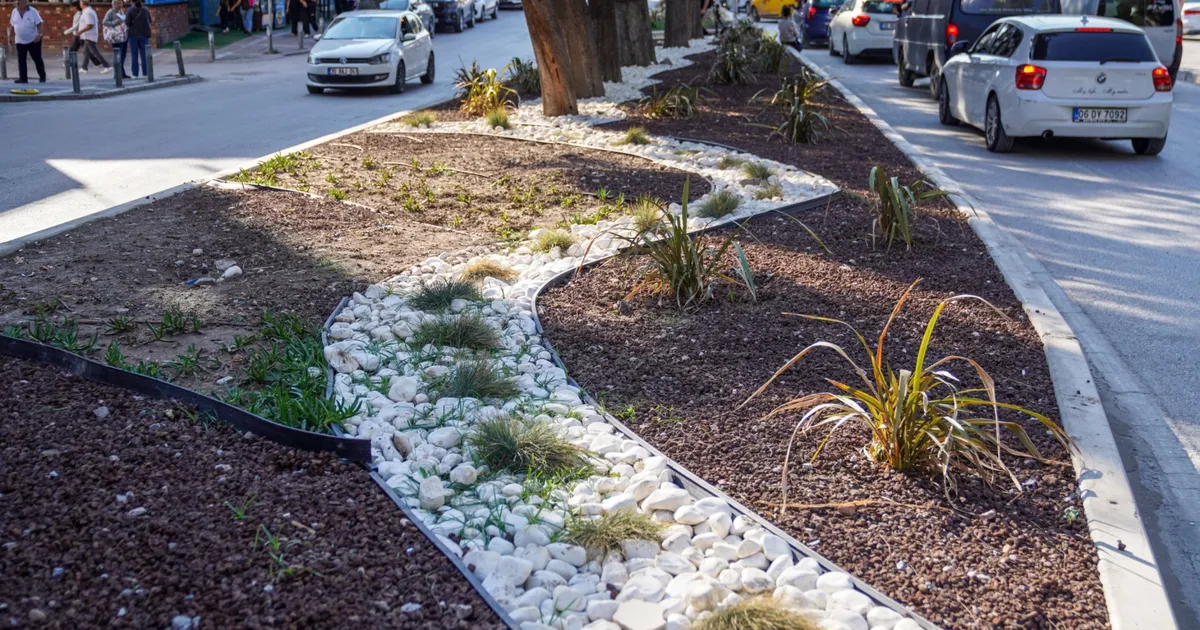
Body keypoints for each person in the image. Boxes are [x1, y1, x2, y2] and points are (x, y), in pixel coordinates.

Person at [8, 0, 46, 83]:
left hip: (33, 40)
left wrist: (39, 34)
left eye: (19, 2)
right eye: (17, 2)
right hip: (20, 40)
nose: (17, 3)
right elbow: (12, 24)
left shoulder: (32, 11)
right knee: (21, 60)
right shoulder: (14, 11)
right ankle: (23, 78)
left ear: (25, 3)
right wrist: (10, 36)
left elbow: (39, 23)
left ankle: (42, 76)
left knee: (37, 59)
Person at [71, 0, 111, 73]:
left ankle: (107, 65)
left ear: (82, 3)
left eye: (80, 3)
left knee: (95, 52)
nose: (79, 4)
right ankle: (84, 67)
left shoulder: (88, 12)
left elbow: (90, 25)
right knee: (86, 52)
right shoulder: (88, 11)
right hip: (87, 36)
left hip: (89, 36)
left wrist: (80, 31)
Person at [124, 0, 151, 77]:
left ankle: (135, 74)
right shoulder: (146, 9)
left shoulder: (130, 10)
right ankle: (146, 73)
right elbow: (150, 20)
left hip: (133, 35)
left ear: (132, 1)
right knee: (144, 55)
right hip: (144, 34)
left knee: (134, 55)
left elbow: (127, 23)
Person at [103, 0, 130, 78]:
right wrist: (114, 23)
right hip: (116, 37)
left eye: (121, 3)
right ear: (114, 4)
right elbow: (104, 22)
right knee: (118, 56)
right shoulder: (110, 12)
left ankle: (122, 72)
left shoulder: (121, 11)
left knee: (123, 55)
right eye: (118, 3)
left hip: (123, 36)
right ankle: (117, 73)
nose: (120, 5)